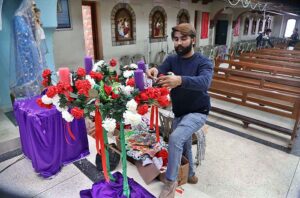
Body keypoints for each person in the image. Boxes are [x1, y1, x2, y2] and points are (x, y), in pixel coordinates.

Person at [146, 23, 213, 198]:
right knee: (183, 144)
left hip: (199, 111)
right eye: (176, 39)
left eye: (183, 39)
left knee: (175, 138)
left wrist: (180, 80)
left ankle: (170, 183)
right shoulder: (172, 59)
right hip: (179, 111)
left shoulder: (203, 61)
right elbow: (160, 71)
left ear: (193, 40)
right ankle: (190, 175)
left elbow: (205, 82)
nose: (179, 43)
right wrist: (154, 71)